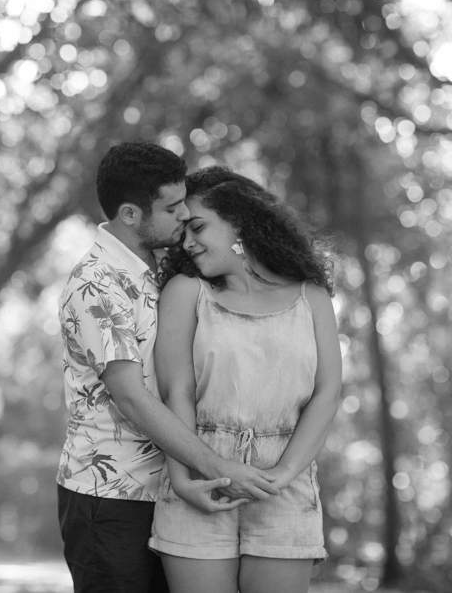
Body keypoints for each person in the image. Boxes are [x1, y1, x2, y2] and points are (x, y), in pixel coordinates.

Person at [57, 145, 281, 593]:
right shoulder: (96, 285)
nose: (184, 214)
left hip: (171, 490)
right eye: (172, 207)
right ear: (130, 214)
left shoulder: (163, 268)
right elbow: (131, 397)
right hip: (112, 498)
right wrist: (216, 466)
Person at [148, 166, 342, 593]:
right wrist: (185, 478)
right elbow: (175, 392)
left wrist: (283, 473)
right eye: (183, 233)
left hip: (285, 484)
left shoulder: (311, 297)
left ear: (239, 221)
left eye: (198, 227)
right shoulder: (186, 291)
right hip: (200, 475)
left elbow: (328, 393)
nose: (187, 242)